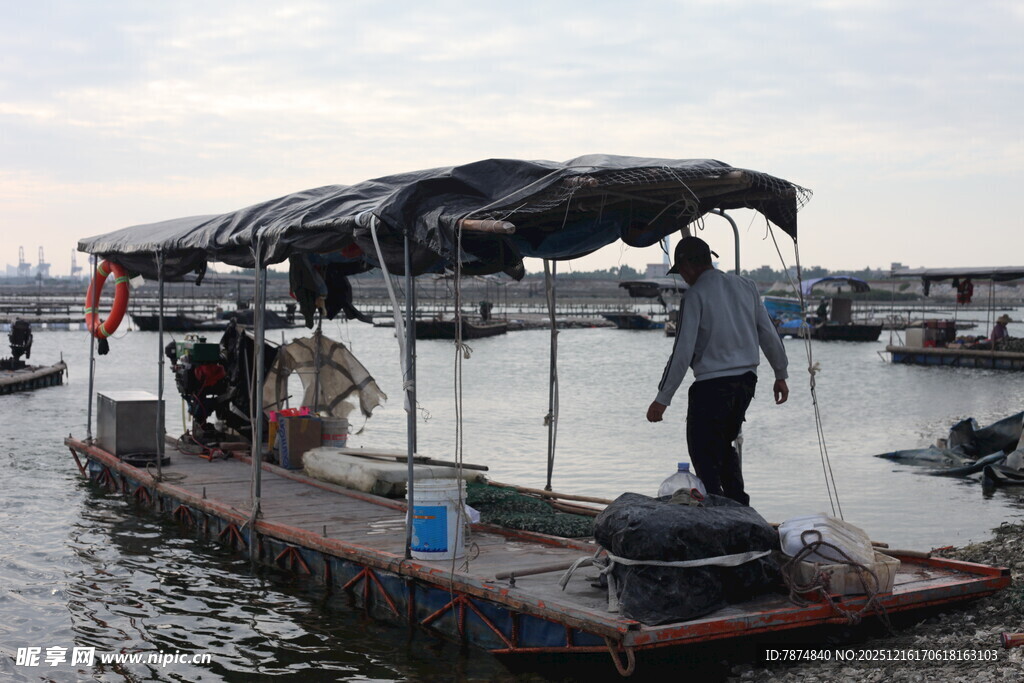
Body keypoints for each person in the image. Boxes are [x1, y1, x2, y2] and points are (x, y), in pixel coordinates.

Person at [646, 236, 789, 505]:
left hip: (712, 385)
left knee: (704, 454)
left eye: (682, 272)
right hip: (747, 382)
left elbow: (682, 351)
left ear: (688, 265)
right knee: (724, 446)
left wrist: (662, 399)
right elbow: (768, 333)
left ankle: (716, 509)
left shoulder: (695, 296)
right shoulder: (746, 286)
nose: (684, 278)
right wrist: (780, 374)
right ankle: (738, 506)